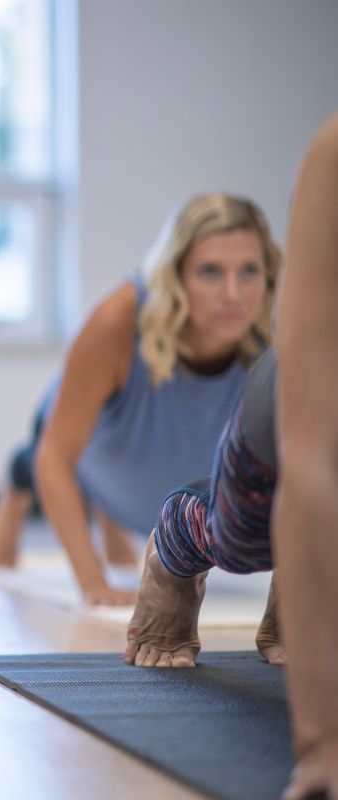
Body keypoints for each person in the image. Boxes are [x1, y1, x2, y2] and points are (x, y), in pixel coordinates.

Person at [126, 112, 338, 800]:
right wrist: (321, 746)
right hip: (295, 409)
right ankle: (175, 545)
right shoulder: (334, 153)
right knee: (244, 539)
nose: (231, 288)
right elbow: (312, 454)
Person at [0, 192, 281, 605]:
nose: (233, 293)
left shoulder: (278, 327)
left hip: (158, 467)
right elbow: (55, 458)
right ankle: (19, 478)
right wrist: (93, 585)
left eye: (249, 271)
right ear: (175, 274)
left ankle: (109, 517)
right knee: (23, 494)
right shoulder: (116, 319)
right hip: (91, 444)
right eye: (210, 271)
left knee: (126, 547)